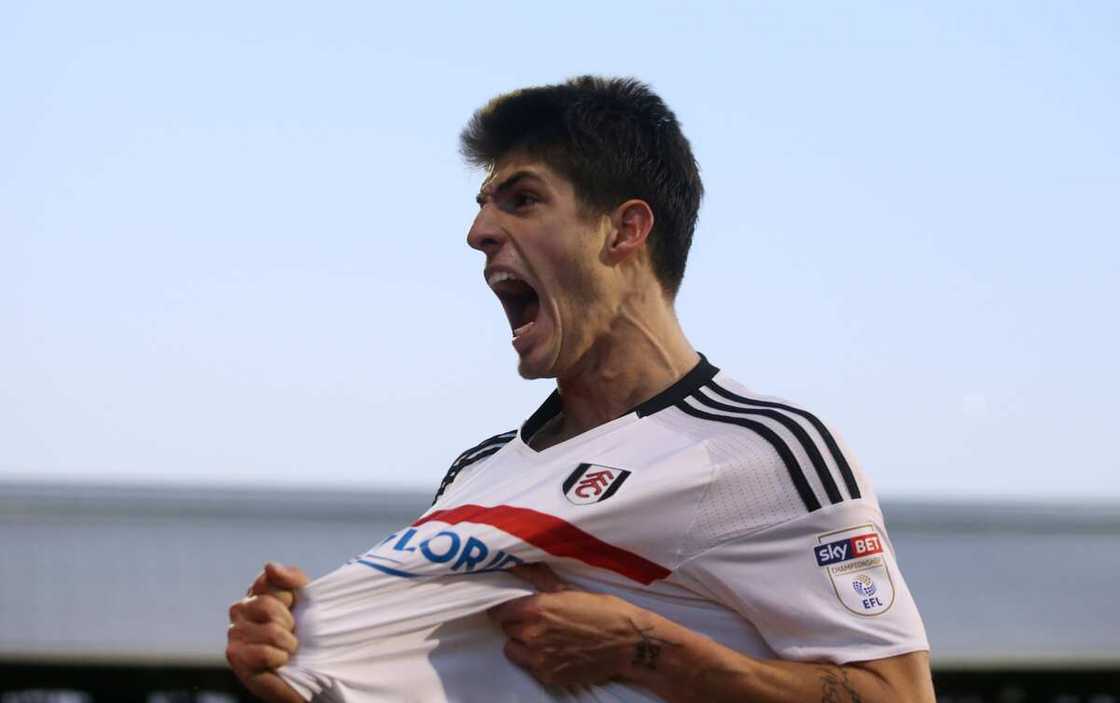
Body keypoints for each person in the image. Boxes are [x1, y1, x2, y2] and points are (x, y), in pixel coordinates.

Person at [226, 76, 934, 702]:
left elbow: (897, 696)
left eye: (523, 198)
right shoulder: (475, 471)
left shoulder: (766, 451)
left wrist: (644, 648)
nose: (477, 232)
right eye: (482, 205)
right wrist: (294, 652)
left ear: (625, 230)